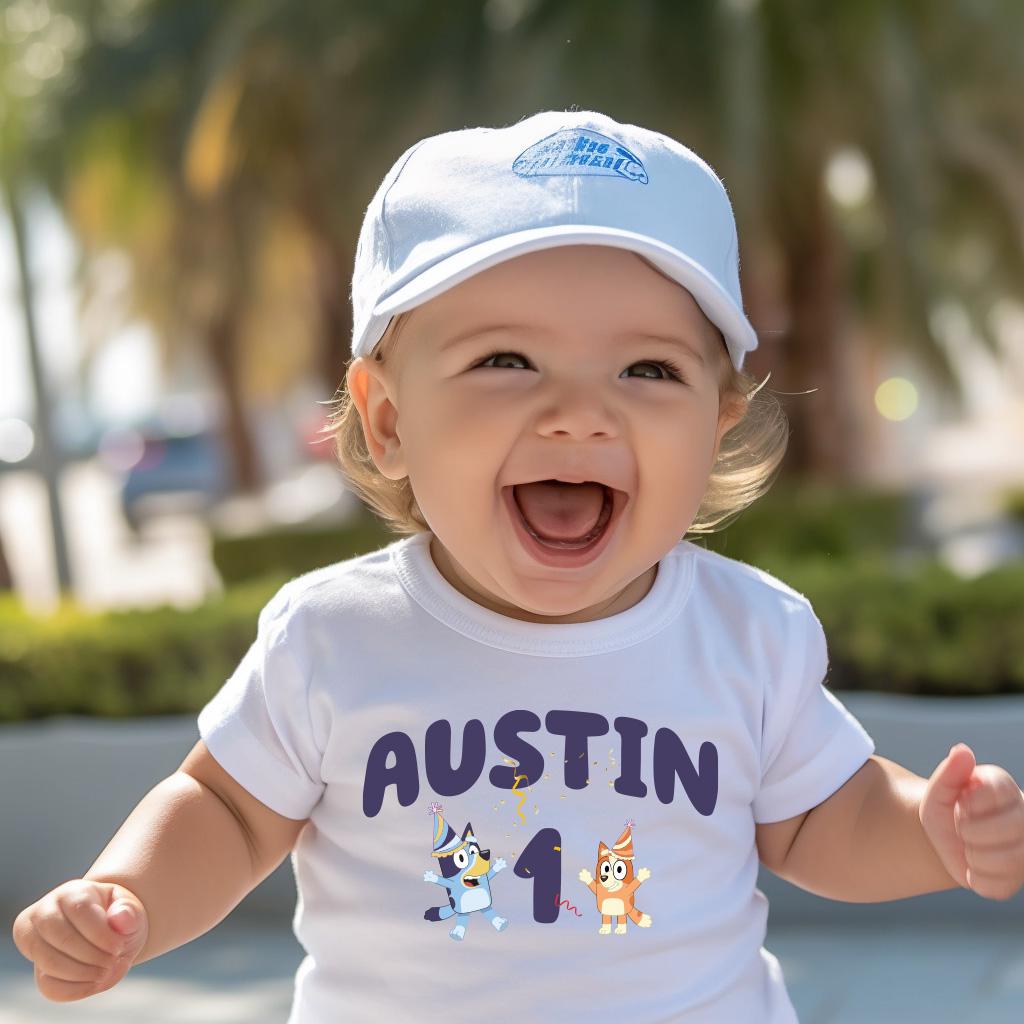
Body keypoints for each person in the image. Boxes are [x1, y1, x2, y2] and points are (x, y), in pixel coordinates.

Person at [12, 109, 1024, 1023]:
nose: (580, 413)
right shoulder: (332, 637)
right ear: (388, 419)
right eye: (506, 361)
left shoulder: (747, 635)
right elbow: (228, 812)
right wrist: (127, 897)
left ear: (716, 424)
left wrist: (930, 831)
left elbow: (826, 816)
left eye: (648, 369)